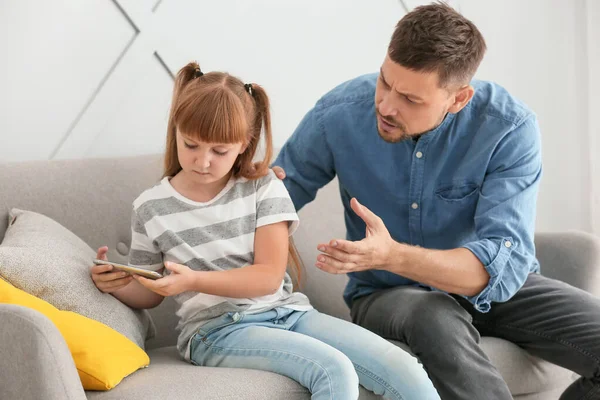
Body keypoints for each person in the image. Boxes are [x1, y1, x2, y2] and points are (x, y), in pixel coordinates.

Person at [272, 3, 600, 400]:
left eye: (410, 98)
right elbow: (273, 202)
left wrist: (391, 254)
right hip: (385, 295)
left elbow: (503, 264)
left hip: (493, 291)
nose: (387, 105)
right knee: (434, 313)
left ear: (458, 99)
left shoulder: (508, 129)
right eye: (385, 81)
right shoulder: (339, 113)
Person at [90, 61, 440, 400]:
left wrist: (192, 280)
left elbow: (268, 278)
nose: (203, 161)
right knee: (334, 369)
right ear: (176, 133)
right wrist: (119, 283)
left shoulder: (264, 187)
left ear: (244, 143)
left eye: (219, 150)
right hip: (215, 331)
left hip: (288, 313)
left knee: (404, 368)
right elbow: (151, 292)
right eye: (191, 145)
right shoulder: (150, 206)